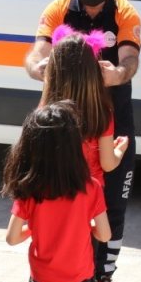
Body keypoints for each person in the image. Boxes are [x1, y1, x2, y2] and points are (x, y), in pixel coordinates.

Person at [24, 0, 141, 282]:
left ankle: (102, 277)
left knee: (112, 204)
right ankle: (59, 276)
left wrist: (119, 74)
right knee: (62, 198)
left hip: (111, 116)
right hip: (63, 122)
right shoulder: (58, 7)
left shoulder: (124, 10)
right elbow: (36, 53)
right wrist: (37, 68)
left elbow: (130, 57)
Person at [3, 102, 111, 282]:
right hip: (80, 275)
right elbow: (105, 235)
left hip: (44, 276)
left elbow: (11, 237)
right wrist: (87, 227)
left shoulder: (29, 188)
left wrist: (35, 229)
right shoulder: (91, 187)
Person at [42, 27, 128, 188]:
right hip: (89, 198)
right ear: (94, 74)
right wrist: (119, 150)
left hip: (54, 194)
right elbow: (108, 164)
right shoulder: (100, 113)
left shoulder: (45, 115)